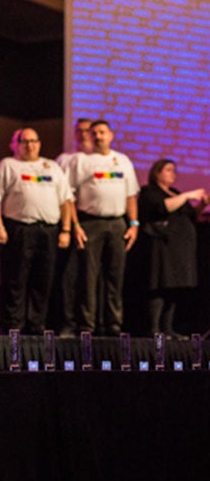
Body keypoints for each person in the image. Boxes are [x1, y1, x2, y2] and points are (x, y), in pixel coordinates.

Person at [0, 128, 72, 333]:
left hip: (48, 231)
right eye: (25, 141)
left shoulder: (52, 167)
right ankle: (13, 328)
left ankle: (36, 327)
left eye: (34, 141)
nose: (30, 145)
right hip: (18, 229)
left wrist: (66, 230)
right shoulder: (8, 165)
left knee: (43, 281)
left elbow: (65, 200)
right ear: (16, 144)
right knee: (15, 280)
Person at [69, 119, 140, 335]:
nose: (98, 136)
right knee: (89, 277)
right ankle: (88, 324)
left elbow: (131, 195)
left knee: (115, 275)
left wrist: (134, 224)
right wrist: (75, 225)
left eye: (102, 132)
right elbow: (69, 197)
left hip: (118, 223)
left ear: (110, 135)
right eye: (94, 133)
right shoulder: (80, 161)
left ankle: (113, 323)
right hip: (91, 222)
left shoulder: (123, 160)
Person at [136, 159, 205, 337]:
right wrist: (188, 196)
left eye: (174, 170)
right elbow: (163, 207)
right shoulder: (149, 191)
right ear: (157, 172)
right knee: (160, 285)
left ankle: (167, 328)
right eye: (168, 170)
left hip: (179, 248)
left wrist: (203, 204)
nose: (173, 174)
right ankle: (154, 328)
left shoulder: (174, 192)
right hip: (161, 246)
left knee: (174, 287)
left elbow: (191, 215)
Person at [52, 117, 94, 335]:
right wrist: (72, 226)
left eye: (88, 130)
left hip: (95, 223)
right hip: (73, 221)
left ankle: (91, 324)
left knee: (91, 276)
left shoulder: (104, 160)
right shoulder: (65, 159)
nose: (84, 134)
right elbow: (66, 197)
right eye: (80, 130)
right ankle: (68, 322)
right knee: (69, 275)